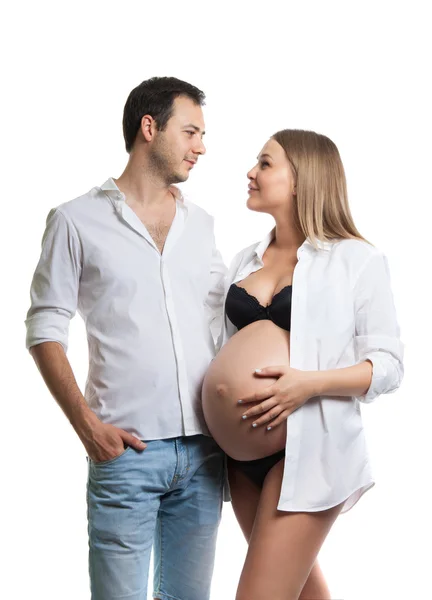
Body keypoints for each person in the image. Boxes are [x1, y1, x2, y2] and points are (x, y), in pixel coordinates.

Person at [25, 76, 227, 600]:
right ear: (149, 128)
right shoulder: (75, 220)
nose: (201, 147)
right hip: (126, 455)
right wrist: (86, 425)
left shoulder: (201, 225)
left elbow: (222, 322)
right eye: (191, 132)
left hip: (206, 454)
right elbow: (45, 327)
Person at [202, 129, 404, 600]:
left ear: (300, 179)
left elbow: (389, 365)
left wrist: (308, 385)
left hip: (309, 450)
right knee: (301, 593)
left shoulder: (356, 259)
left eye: (265, 163)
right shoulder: (241, 261)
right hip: (241, 456)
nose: (251, 173)